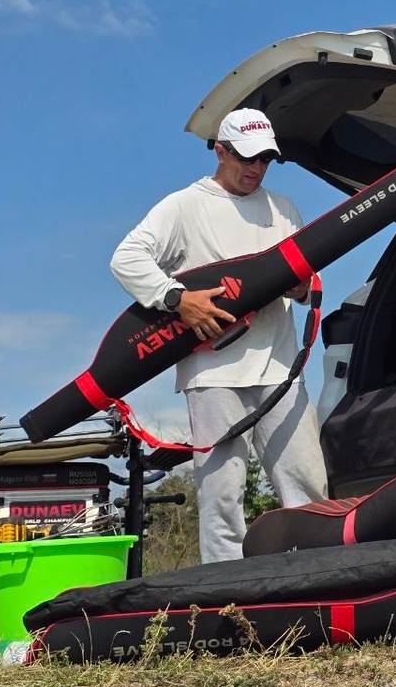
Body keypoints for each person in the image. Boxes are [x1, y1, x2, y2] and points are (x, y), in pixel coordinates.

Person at [110, 108, 328, 564]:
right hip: (213, 373)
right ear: (220, 150)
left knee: (307, 482)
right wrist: (177, 299)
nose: (256, 169)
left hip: (281, 368)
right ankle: (225, 599)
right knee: (223, 496)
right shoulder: (185, 206)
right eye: (246, 158)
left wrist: (302, 285)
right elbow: (127, 258)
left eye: (266, 159)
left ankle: (316, 578)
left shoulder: (282, 208)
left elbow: (310, 281)